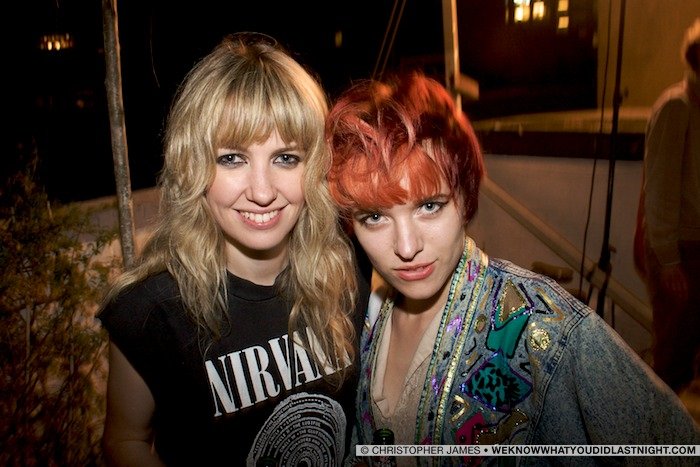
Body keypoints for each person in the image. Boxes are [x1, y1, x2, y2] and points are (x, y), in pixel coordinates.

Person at [326, 71, 700, 466]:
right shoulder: (368, 315)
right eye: (374, 217)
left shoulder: (542, 326)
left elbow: (673, 447)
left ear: (464, 195)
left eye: (429, 206)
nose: (406, 247)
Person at [99, 33, 369, 466]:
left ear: (316, 167)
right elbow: (124, 440)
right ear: (194, 166)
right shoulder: (151, 311)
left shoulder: (350, 273)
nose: (262, 192)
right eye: (232, 158)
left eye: (286, 158)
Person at [642, 17, 700, 394]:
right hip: (681, 250)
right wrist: (669, 260)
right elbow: (660, 188)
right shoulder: (677, 107)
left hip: (690, 247)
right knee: (673, 362)